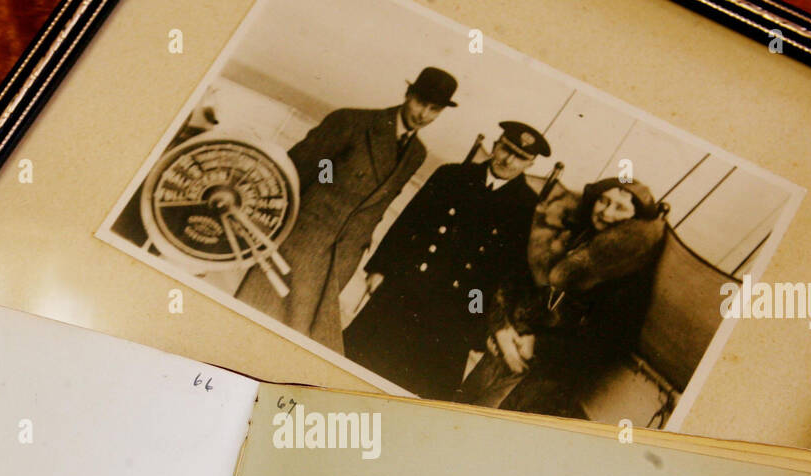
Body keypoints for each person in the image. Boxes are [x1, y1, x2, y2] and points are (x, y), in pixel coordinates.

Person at [235, 67, 458, 353]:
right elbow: (295, 172)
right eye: (420, 102)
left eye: (434, 109)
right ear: (408, 94)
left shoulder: (417, 154)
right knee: (252, 324)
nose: (423, 114)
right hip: (298, 245)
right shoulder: (352, 122)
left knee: (293, 345)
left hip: (343, 261)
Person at [342, 121, 548, 400]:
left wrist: (479, 324)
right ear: (495, 144)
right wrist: (380, 267)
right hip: (405, 289)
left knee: (418, 393)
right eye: (505, 149)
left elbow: (508, 272)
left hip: (455, 313)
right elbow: (409, 222)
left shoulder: (526, 207)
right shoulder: (452, 175)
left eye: (520, 157)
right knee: (353, 368)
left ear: (531, 163)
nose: (508, 160)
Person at [457, 177, 667, 416]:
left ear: (635, 218)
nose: (606, 212)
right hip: (505, 346)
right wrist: (502, 328)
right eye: (603, 200)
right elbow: (515, 280)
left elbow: (610, 340)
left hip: (547, 375)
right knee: (460, 407)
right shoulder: (568, 236)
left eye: (619, 207)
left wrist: (538, 345)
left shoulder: (630, 268)